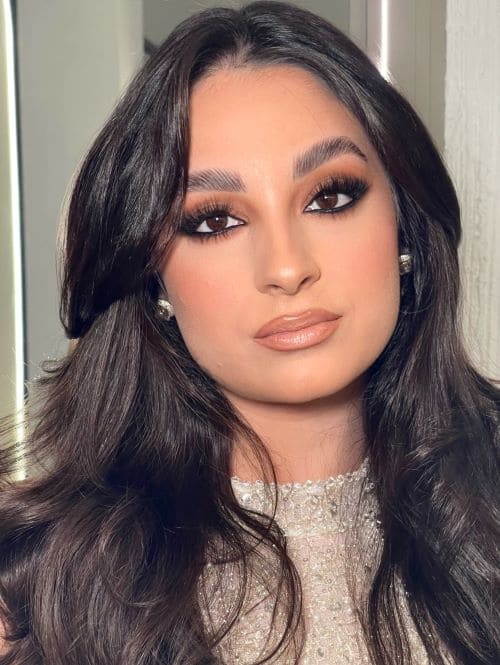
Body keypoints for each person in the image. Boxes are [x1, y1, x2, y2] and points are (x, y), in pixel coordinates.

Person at [0, 1, 498, 663]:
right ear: (152, 276)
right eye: (214, 221)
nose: (287, 268)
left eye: (330, 196)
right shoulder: (37, 589)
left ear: (403, 222)